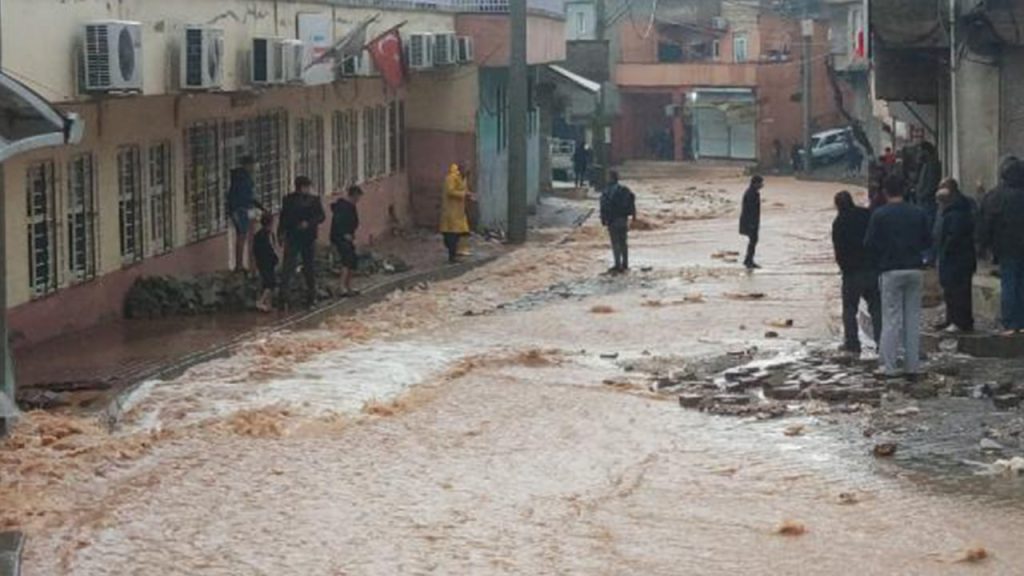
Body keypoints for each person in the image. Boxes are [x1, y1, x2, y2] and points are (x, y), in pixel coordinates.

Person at [865, 176, 932, 378]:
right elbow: (928, 240)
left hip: (890, 270)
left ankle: (890, 366)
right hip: (914, 269)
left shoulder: (880, 215)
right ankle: (913, 367)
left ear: (886, 192)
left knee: (891, 320)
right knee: (912, 319)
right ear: (904, 191)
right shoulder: (918, 213)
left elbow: (869, 243)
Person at [832, 191, 882, 353]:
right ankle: (882, 341)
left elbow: (838, 250)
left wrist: (844, 268)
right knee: (876, 307)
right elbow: (876, 238)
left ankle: (852, 344)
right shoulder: (866, 215)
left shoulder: (839, 222)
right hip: (872, 268)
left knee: (849, 309)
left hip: (852, 272)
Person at [978, 156, 1024, 334]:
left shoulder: (996, 196)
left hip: (1006, 247)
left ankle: (1011, 322)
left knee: (1009, 283)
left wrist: (983, 246)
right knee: (1021, 283)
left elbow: (986, 222)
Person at [934, 178, 976, 333]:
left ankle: (960, 321)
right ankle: (951, 319)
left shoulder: (958, 210)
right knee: (950, 291)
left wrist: (945, 250)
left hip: (958, 259)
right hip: (951, 258)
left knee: (959, 291)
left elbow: (954, 236)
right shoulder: (948, 208)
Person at [278, 176, 325, 308]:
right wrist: (281, 233)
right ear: (301, 187)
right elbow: (284, 217)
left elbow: (321, 216)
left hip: (308, 237)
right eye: (307, 186)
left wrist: (309, 223)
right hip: (293, 236)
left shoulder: (314, 200)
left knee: (309, 267)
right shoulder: (288, 200)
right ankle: (283, 297)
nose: (309, 189)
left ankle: (311, 296)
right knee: (288, 267)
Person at [226, 156, 265, 272]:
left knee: (250, 234)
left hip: (246, 208)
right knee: (241, 236)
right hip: (240, 210)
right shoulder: (241, 178)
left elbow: (250, 196)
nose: (254, 167)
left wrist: (258, 206)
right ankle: (239, 265)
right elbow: (242, 197)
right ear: (247, 165)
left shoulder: (246, 177)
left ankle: (251, 264)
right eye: (252, 164)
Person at [600, 170, 636, 274]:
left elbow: (603, 205)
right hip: (623, 219)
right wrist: (633, 216)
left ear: (611, 178)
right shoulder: (624, 189)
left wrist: (603, 219)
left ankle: (617, 265)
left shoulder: (607, 191)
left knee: (615, 243)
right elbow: (632, 201)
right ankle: (625, 264)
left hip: (613, 220)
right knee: (623, 242)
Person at [331, 185, 364, 298]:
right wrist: (345, 235)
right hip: (341, 238)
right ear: (354, 195)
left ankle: (348, 285)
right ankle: (342, 287)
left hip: (349, 237)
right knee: (347, 260)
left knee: (353, 260)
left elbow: (354, 222)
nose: (359, 199)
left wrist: (352, 234)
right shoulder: (343, 207)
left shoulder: (351, 207)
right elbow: (338, 224)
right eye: (358, 197)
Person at [440, 164, 473, 263]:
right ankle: (452, 255)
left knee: (460, 233)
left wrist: (470, 195)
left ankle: (457, 252)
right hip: (451, 211)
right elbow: (450, 191)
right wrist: (464, 194)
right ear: (461, 169)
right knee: (451, 234)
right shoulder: (451, 178)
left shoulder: (464, 178)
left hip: (459, 211)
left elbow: (464, 190)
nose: (468, 171)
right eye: (467, 169)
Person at [253, 212, 278, 313]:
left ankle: (268, 305)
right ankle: (261, 301)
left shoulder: (258, 235)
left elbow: (255, 249)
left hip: (261, 262)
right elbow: (269, 249)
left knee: (266, 283)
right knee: (270, 284)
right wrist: (274, 258)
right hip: (267, 262)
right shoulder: (267, 235)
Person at [739, 175, 764, 270]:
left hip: (751, 221)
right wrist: (751, 224)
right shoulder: (751, 193)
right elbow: (750, 210)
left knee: (753, 241)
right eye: (760, 183)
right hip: (750, 222)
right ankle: (748, 261)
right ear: (755, 183)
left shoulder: (752, 192)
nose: (762, 185)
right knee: (753, 241)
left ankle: (749, 260)